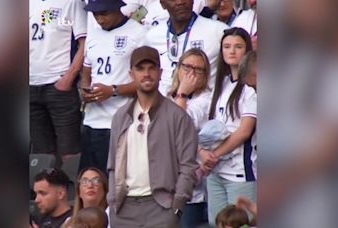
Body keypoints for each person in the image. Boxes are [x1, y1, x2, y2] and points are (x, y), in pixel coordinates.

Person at [107, 46, 199, 227]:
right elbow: (112, 164)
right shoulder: (120, 116)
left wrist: (177, 206)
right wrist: (113, 200)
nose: (146, 74)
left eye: (151, 68)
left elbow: (188, 166)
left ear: (160, 72)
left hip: (162, 207)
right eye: (140, 69)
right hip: (124, 209)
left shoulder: (177, 115)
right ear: (131, 74)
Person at [79, 0, 146, 174]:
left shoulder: (139, 34)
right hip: (91, 121)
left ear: (117, 8)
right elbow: (87, 71)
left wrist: (113, 90)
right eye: (95, 14)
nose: (99, 19)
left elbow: (147, 81)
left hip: (119, 122)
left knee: (113, 184)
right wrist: (84, 89)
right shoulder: (94, 34)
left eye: (104, 13)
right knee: (88, 181)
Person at [201, 27, 256, 226]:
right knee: (216, 223)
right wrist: (202, 153)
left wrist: (213, 155)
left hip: (240, 173)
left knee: (240, 224)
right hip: (215, 172)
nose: (232, 51)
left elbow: (244, 131)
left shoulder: (251, 87)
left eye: (238, 46)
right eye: (227, 46)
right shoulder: (220, 84)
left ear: (247, 50)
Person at [29, 0, 86, 162]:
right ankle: (45, 187)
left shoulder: (72, 2)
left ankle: (71, 187)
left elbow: (85, 42)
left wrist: (68, 78)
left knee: (69, 151)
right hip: (30, 85)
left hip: (59, 85)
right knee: (42, 154)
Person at [166, 48, 211, 227]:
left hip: (191, 188)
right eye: (187, 67)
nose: (191, 73)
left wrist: (183, 93)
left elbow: (180, 126)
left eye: (198, 69)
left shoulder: (206, 99)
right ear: (178, 68)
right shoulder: (166, 97)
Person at [144, 0, 228, 95]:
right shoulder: (152, 36)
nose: (180, 2)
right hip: (164, 105)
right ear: (162, 4)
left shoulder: (218, 30)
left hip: (204, 104)